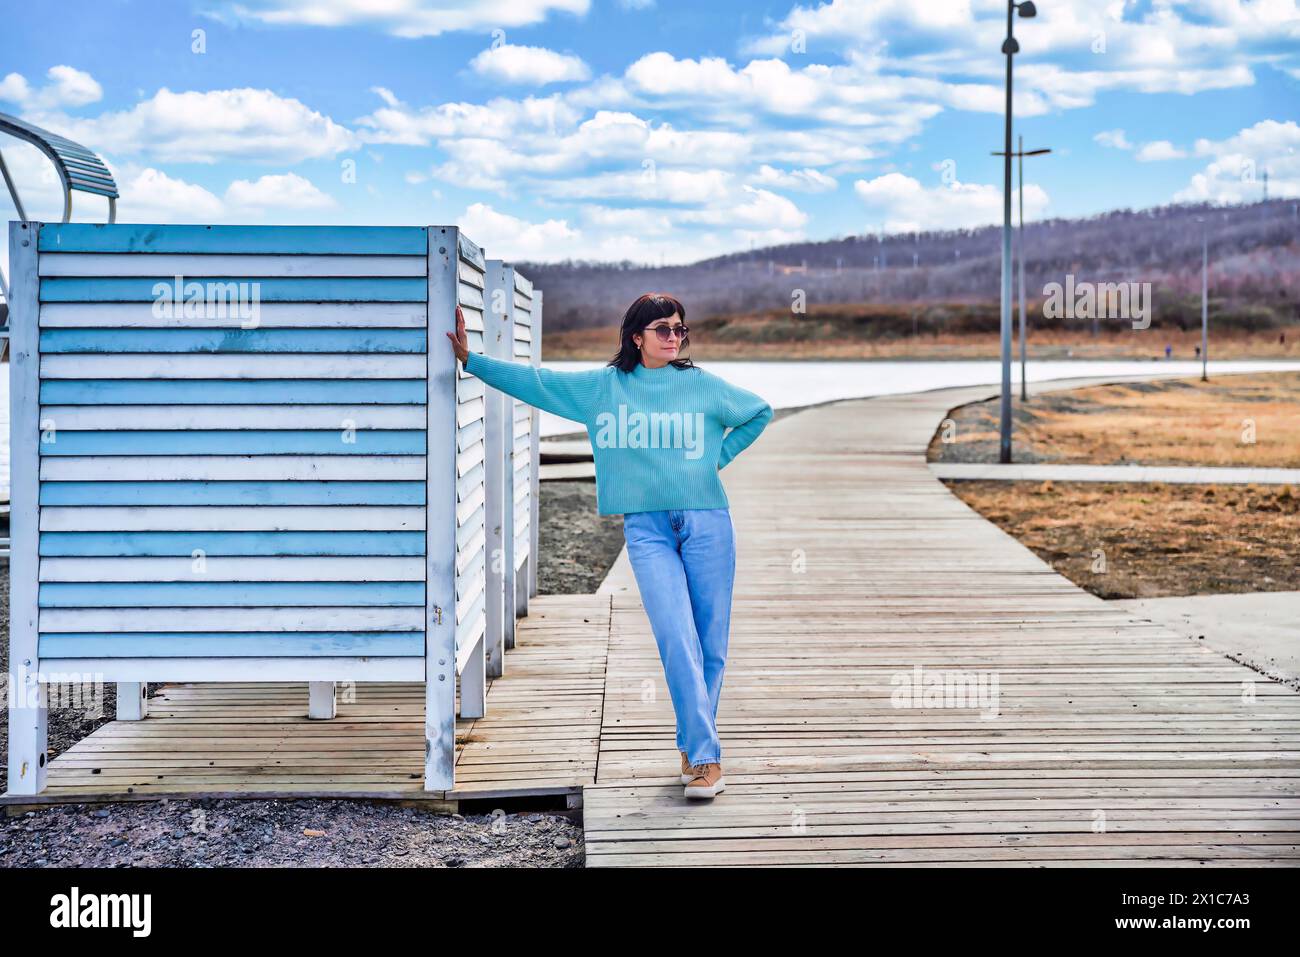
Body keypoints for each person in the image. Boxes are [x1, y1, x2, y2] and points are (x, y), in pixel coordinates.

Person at [447, 293, 773, 799]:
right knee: (675, 636)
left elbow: (758, 412)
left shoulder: (701, 385)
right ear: (636, 336)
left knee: (710, 644)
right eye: (662, 328)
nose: (673, 337)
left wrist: (713, 460)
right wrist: (472, 361)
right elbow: (538, 383)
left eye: (679, 329)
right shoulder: (605, 389)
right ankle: (708, 759)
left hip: (708, 522)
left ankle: (694, 746)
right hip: (647, 529)